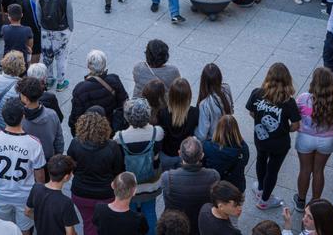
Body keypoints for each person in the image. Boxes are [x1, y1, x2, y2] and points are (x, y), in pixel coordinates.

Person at [0, 97, 46, 234]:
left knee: (3, 228)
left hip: (1, 193)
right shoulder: (34, 143)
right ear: (23, 117)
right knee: (25, 229)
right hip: (25, 195)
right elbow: (39, 175)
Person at [246, 63, 301, 210]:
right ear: (287, 80)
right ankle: (264, 200)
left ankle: (260, 189)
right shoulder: (289, 102)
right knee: (273, 170)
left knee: (261, 160)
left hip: (261, 138)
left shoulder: (257, 93)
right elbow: (296, 125)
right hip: (279, 144)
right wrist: (285, 129)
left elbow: (251, 112)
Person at [68, 112, 124, 235]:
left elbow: (71, 166)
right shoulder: (112, 146)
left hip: (81, 193)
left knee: (89, 223)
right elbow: (118, 171)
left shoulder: (75, 143)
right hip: (106, 193)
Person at [114, 98, 164, 235]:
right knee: (150, 213)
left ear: (127, 117)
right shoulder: (157, 133)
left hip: (129, 186)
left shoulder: (119, 138)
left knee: (130, 214)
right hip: (150, 183)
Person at [294, 67, 333, 211]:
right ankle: (315, 204)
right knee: (319, 171)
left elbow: (296, 115)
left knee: (305, 169)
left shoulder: (303, 98)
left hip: (305, 138)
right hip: (327, 140)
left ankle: (301, 201)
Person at [161, 137, 220, 235]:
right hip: (200, 224)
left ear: (179, 153)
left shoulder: (167, 178)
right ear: (202, 155)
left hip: (175, 227)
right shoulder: (214, 176)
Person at [69, 49, 128, 134]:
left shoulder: (80, 89)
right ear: (104, 65)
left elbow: (76, 117)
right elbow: (124, 102)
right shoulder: (114, 80)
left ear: (88, 66)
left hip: (91, 131)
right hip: (111, 127)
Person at [25, 154, 80, 235]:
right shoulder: (66, 202)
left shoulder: (36, 188)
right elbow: (70, 233)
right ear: (66, 177)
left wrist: (40, 220)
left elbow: (27, 211)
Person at [38, 0, 73, 91]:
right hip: (61, 30)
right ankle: (61, 82)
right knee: (61, 57)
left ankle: (49, 79)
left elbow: (38, 14)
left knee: (47, 57)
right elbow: (69, 14)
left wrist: (42, 26)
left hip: (46, 30)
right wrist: (70, 29)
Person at [17, 76, 64, 161]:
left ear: (26, 99)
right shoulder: (52, 114)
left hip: (29, 160)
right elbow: (59, 140)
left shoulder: (20, 120)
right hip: (49, 158)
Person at [202, 115, 250, 192]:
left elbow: (203, 165)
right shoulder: (243, 148)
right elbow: (244, 162)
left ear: (218, 128)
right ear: (236, 129)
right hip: (236, 188)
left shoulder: (207, 146)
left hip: (215, 187)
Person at [194, 63, 233, 141]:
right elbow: (232, 108)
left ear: (203, 81)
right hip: (229, 133)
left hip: (215, 140)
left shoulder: (205, 104)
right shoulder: (226, 88)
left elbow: (202, 135)